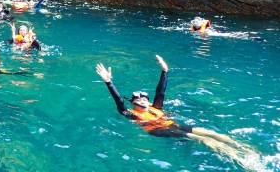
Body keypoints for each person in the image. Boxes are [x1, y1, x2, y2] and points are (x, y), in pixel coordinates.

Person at [95, 55, 256, 164]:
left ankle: (245, 148)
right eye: (139, 99)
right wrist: (109, 82)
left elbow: (161, 92)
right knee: (203, 139)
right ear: (133, 103)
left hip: (173, 124)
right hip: (158, 130)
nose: (143, 101)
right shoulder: (131, 114)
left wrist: (165, 71)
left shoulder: (155, 107)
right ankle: (239, 158)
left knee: (210, 133)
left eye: (145, 98)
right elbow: (118, 101)